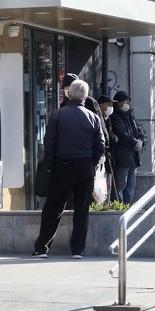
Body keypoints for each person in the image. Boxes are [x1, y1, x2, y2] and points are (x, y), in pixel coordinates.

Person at [32, 80, 105, 259]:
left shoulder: (57, 115)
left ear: (69, 94)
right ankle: (78, 250)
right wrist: (92, 163)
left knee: (53, 207)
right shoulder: (93, 117)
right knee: (82, 209)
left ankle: (42, 248)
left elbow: (49, 144)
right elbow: (101, 145)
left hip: (62, 166)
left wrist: (49, 166)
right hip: (85, 166)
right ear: (85, 96)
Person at [110, 90, 145, 204]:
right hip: (122, 157)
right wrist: (134, 142)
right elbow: (121, 133)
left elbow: (139, 131)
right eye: (124, 101)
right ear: (118, 102)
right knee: (120, 185)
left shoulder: (130, 116)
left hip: (133, 158)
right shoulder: (114, 117)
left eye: (128, 101)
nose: (127, 104)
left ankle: (127, 207)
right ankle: (118, 208)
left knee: (130, 186)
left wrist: (140, 141)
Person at [97, 95, 118, 199]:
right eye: (109, 104)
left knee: (108, 184)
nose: (111, 107)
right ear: (101, 105)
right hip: (102, 157)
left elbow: (109, 134)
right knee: (101, 186)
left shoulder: (108, 119)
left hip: (110, 156)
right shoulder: (97, 118)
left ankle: (107, 204)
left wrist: (113, 136)